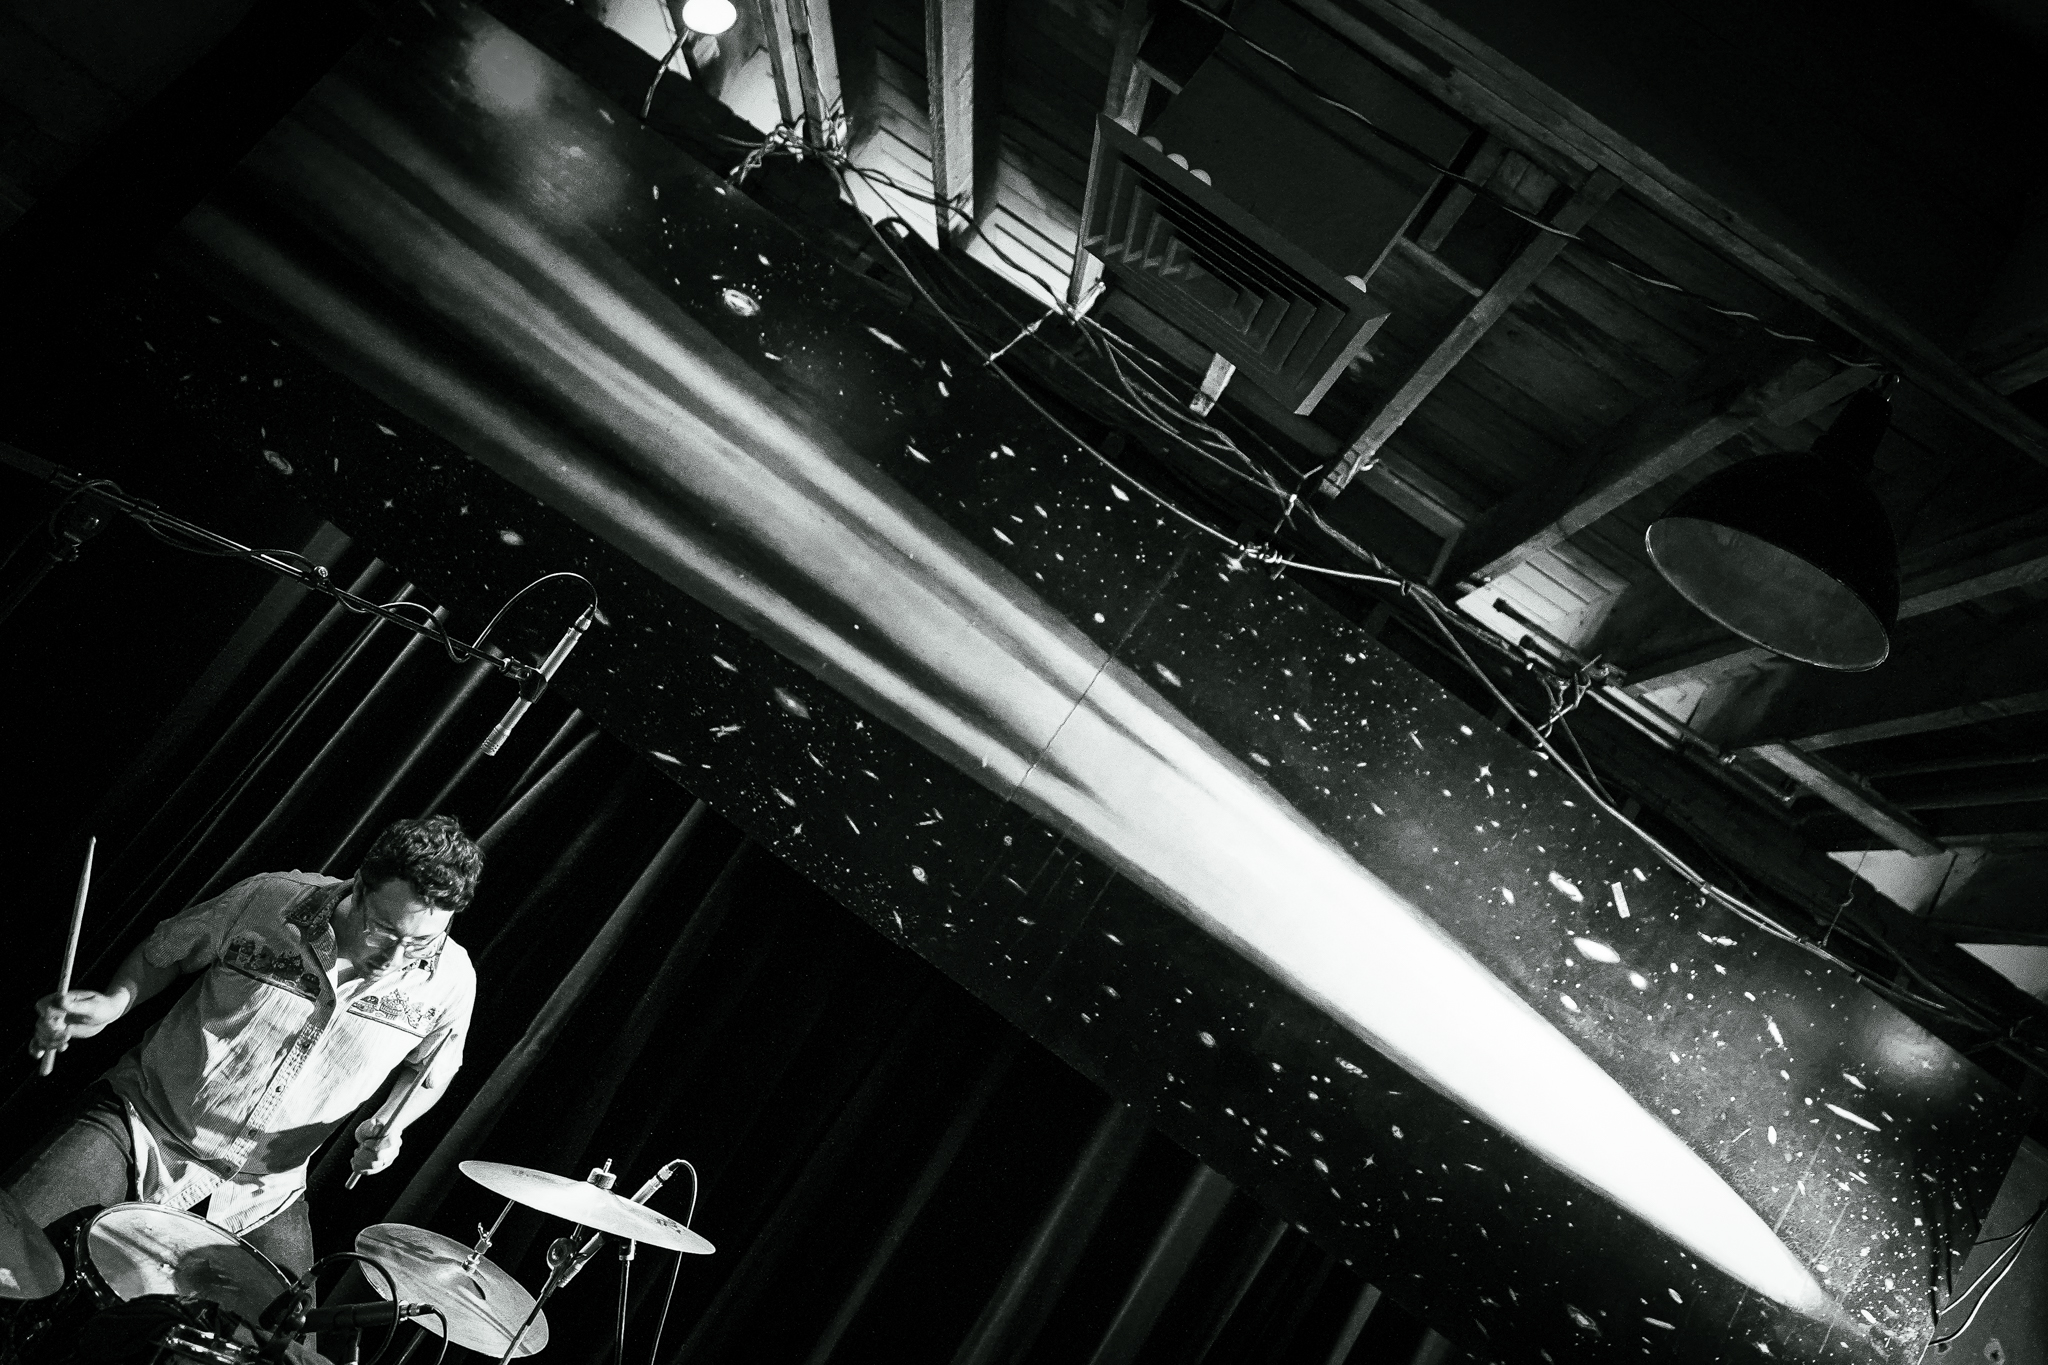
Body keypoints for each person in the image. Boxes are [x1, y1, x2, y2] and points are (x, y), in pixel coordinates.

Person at [5, 816, 482, 1277]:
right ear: (359, 887)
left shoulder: (453, 982)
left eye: (420, 942)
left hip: (263, 1190)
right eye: (384, 930)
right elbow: (166, 952)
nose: (394, 958)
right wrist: (113, 1004)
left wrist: (392, 1123)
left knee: (288, 1332)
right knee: (11, 1258)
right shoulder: (269, 899)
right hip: (145, 1123)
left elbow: (430, 1072)